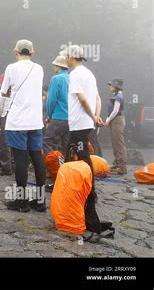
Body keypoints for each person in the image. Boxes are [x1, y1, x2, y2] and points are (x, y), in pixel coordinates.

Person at [1, 40, 46, 212]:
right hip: (35, 121)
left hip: (18, 120)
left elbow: (5, 91)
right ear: (32, 53)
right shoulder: (39, 68)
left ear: (16, 51)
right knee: (37, 160)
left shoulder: (11, 68)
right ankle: (40, 201)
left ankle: (22, 201)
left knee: (20, 160)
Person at [65, 44, 104, 235]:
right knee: (82, 156)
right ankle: (88, 191)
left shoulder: (75, 74)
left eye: (66, 56)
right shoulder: (90, 73)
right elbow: (97, 98)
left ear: (72, 57)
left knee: (79, 158)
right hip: (87, 123)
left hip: (79, 123)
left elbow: (81, 99)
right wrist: (96, 116)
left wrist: (92, 116)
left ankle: (87, 192)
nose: (65, 58)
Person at [43, 56, 70, 154]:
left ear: (58, 66)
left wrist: (50, 116)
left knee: (48, 143)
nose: (53, 67)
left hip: (58, 117)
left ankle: (53, 168)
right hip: (70, 119)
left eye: (54, 65)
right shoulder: (70, 78)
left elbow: (51, 100)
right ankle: (64, 168)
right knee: (64, 146)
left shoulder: (56, 78)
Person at [105, 78, 127, 175]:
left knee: (118, 143)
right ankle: (117, 163)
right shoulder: (116, 95)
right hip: (115, 120)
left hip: (117, 120)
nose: (110, 86)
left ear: (116, 86)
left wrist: (108, 120)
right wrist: (109, 119)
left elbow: (116, 110)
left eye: (112, 85)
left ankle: (122, 167)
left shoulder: (119, 96)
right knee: (115, 142)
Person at [0, 73, 13, 176]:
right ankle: (15, 165)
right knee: (15, 141)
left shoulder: (3, 90)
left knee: (4, 143)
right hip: (16, 116)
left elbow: (0, 106)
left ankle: (6, 167)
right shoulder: (14, 90)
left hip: (5, 115)